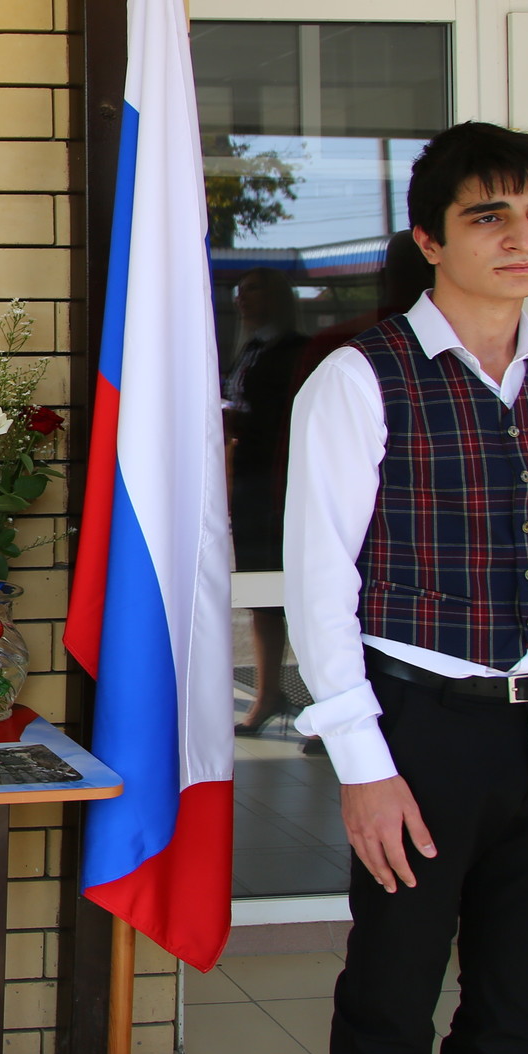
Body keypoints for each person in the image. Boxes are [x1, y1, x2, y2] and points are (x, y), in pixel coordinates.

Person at [283, 121, 528, 1054]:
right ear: (428, 239)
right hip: (424, 728)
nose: (521, 237)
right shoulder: (358, 378)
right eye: (488, 216)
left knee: (519, 1011)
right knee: (390, 1006)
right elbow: (318, 586)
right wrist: (362, 766)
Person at [222, 267, 309, 734]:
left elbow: (282, 417)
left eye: (252, 288)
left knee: (302, 595)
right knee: (261, 596)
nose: (242, 298)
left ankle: (322, 703)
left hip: (282, 485)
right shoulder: (250, 348)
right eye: (239, 290)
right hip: (251, 485)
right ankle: (269, 690)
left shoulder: (294, 351)